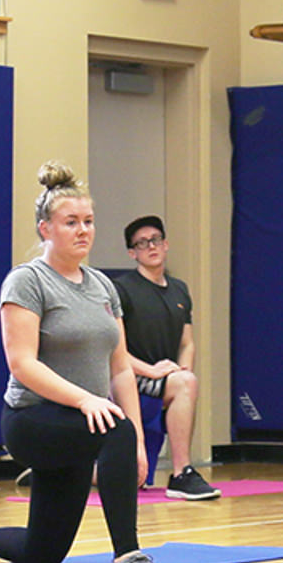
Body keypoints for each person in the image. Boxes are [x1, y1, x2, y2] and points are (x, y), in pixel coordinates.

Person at [0, 163, 172, 563]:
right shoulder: (26, 281)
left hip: (83, 424)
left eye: (88, 221)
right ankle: (127, 557)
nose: (82, 230)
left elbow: (120, 366)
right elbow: (23, 364)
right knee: (116, 430)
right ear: (45, 229)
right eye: (70, 222)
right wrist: (87, 401)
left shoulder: (104, 288)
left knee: (43, 553)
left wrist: (141, 444)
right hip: (34, 420)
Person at [112, 213, 218, 502]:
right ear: (132, 253)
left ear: (166, 244)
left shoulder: (180, 289)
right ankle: (181, 474)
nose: (151, 246)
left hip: (165, 378)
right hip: (130, 377)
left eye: (156, 239)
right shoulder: (121, 290)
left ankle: (66, 471)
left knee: (134, 478)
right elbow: (115, 351)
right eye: (142, 243)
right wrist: (153, 371)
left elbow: (187, 342)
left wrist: (182, 368)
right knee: (185, 383)